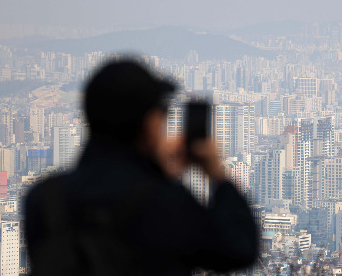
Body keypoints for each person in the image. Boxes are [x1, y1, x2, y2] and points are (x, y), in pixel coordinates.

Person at [25, 59, 258, 276]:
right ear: (150, 124)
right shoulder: (165, 203)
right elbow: (240, 249)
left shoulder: (44, 200)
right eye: (163, 116)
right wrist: (217, 175)